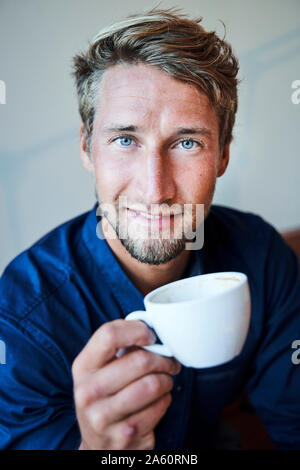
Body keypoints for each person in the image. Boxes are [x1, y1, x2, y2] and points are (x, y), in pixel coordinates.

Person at [0, 7, 299, 451]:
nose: (155, 189)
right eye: (125, 139)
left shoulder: (262, 257)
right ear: (87, 147)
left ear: (222, 156)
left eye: (186, 143)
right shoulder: (23, 315)